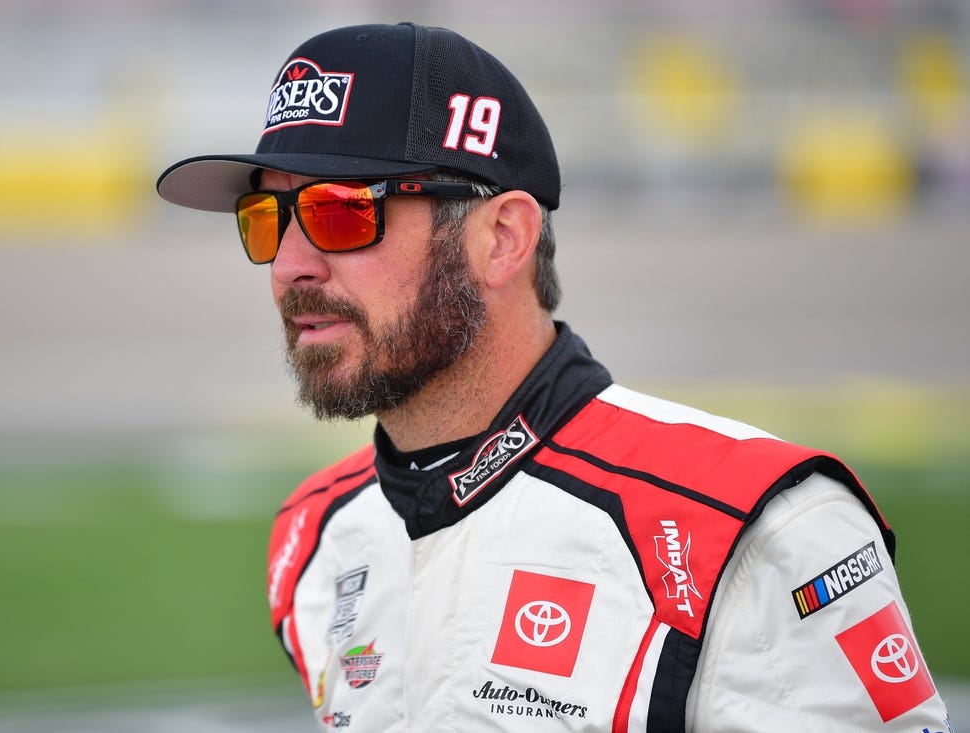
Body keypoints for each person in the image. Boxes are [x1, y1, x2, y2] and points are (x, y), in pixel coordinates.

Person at [156, 22, 950, 733]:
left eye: (340, 211)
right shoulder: (314, 538)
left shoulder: (754, 527)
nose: (290, 265)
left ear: (503, 238)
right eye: (266, 219)